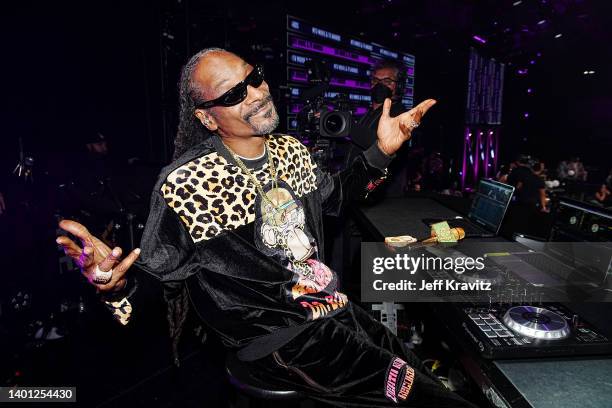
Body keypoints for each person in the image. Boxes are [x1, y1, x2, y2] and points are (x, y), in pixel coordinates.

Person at [57, 48, 474, 407]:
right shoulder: (187, 183)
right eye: (235, 94)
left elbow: (339, 198)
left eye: (253, 78)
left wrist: (381, 150)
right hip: (280, 337)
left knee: (422, 372)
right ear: (206, 118)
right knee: (427, 399)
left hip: (331, 309)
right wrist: (116, 287)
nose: (257, 94)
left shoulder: (291, 150)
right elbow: (160, 278)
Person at [348, 59, 410, 197]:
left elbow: (380, 144)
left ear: (398, 87)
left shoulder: (400, 114)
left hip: (382, 198)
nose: (379, 85)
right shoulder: (368, 114)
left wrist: (344, 124)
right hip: (357, 191)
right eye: (376, 80)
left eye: (387, 81)